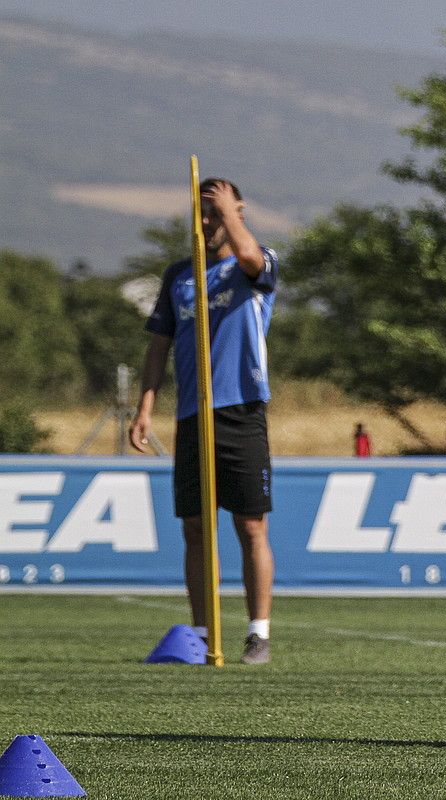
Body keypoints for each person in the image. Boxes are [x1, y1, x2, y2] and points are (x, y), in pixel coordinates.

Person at [129, 177, 278, 665]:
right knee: (195, 526)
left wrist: (229, 211)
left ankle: (258, 633)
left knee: (250, 524)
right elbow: (159, 346)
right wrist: (146, 407)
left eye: (217, 211)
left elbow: (252, 258)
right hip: (193, 414)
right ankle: (200, 633)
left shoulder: (253, 264)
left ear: (238, 209)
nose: (209, 221)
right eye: (203, 213)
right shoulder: (179, 275)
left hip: (242, 409)